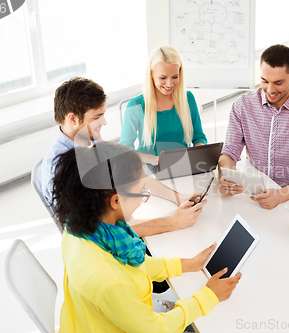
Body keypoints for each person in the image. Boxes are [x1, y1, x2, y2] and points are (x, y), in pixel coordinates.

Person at [53, 142, 241, 332]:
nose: (143, 197)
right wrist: (209, 295)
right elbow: (156, 329)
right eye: (142, 191)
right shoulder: (110, 282)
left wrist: (187, 264)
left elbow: (130, 266)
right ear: (116, 201)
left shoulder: (79, 230)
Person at [40, 77, 206, 237]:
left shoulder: (88, 138)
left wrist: (178, 197)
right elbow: (106, 230)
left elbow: (132, 174)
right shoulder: (61, 170)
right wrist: (172, 223)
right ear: (72, 118)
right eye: (97, 117)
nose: (104, 122)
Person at [218, 44, 289, 208]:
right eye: (264, 81)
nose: (270, 90)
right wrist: (227, 176)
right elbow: (229, 152)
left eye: (278, 82)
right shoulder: (242, 106)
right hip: (252, 187)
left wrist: (281, 196)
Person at [120, 45, 207, 165]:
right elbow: (125, 150)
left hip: (182, 168)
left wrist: (199, 151)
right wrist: (153, 160)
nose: (169, 84)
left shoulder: (188, 98)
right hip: (150, 172)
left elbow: (198, 137)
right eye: (163, 77)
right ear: (151, 74)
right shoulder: (136, 105)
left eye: (175, 77)